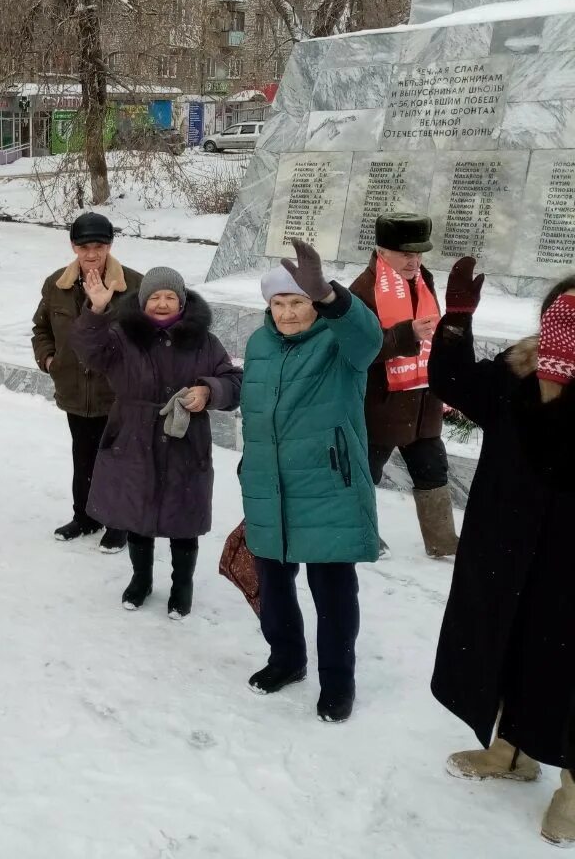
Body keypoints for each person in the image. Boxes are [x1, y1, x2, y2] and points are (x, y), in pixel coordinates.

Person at [427, 259, 575, 845]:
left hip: (569, 559)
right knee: (507, 643)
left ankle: (573, 787)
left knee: (567, 666)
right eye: (561, 317)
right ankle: (513, 753)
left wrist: (559, 390)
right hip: (506, 544)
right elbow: (454, 383)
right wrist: (458, 321)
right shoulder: (517, 369)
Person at [239, 240, 382, 724]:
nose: (287, 313)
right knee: (274, 586)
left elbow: (369, 337)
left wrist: (330, 298)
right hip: (267, 480)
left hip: (328, 482)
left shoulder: (340, 343)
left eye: (297, 301)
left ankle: (338, 682)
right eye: (278, 303)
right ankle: (287, 660)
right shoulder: (259, 343)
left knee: (333, 591)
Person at [70, 266, 242, 615]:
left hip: (185, 442)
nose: (162, 303)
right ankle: (141, 580)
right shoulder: (121, 335)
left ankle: (182, 586)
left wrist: (209, 390)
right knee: (138, 515)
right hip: (133, 436)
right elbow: (89, 352)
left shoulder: (205, 341)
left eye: (170, 297)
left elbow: (234, 381)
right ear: (143, 300)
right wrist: (97, 310)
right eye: (155, 297)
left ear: (181, 301)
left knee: (183, 520)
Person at [32, 212, 144, 552]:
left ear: (110, 246)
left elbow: (148, 337)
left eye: (98, 246)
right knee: (83, 456)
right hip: (74, 391)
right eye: (84, 247)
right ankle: (85, 517)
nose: (91, 254)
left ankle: (117, 522)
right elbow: (42, 329)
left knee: (115, 458)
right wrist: (50, 361)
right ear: (73, 247)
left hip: (116, 393)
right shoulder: (57, 284)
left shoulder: (135, 285)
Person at [349, 213, 457, 559]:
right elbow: (355, 349)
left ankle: (442, 540)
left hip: (424, 403)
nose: (415, 261)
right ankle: (359, 534)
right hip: (381, 406)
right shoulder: (363, 290)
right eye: (406, 254)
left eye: (419, 254)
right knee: (365, 475)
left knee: (433, 469)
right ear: (382, 251)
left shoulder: (424, 282)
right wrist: (405, 334)